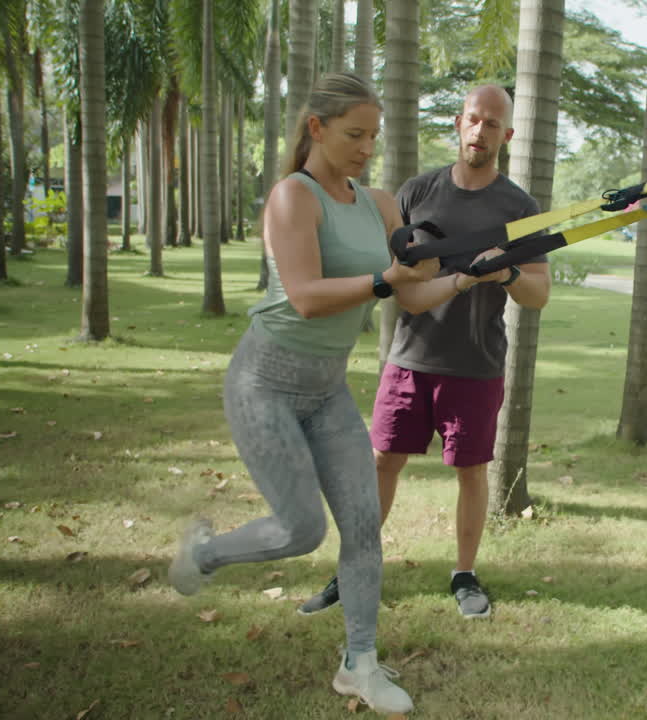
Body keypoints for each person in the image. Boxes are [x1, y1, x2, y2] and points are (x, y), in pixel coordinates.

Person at [166, 72, 439, 715]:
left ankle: (360, 664)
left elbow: (412, 292)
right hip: (264, 385)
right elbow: (307, 297)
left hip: (325, 392)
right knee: (300, 528)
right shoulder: (294, 197)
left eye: (374, 135)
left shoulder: (380, 204)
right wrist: (386, 277)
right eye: (353, 134)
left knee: (364, 526)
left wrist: (467, 280)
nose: (367, 147)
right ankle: (204, 554)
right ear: (316, 128)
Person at [299, 84, 551, 620]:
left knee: (471, 471)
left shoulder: (520, 207)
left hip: (476, 364)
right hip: (409, 359)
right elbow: (391, 267)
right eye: (473, 120)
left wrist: (504, 272)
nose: (480, 132)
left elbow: (539, 293)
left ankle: (464, 575)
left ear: (506, 135)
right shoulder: (416, 192)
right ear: (459, 123)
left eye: (492, 124)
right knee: (382, 463)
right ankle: (353, 567)